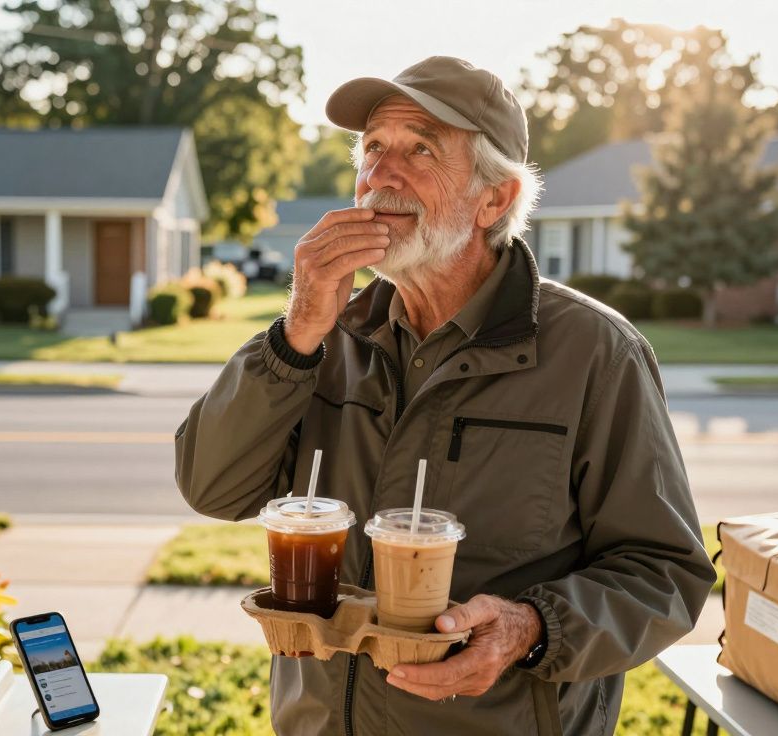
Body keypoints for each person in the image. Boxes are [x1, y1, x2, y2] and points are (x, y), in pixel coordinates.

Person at [174, 56, 715, 736]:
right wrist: (296, 334)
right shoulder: (320, 338)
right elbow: (209, 488)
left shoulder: (596, 354)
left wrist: (531, 627)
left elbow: (664, 574)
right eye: (372, 150)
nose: (380, 177)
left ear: (494, 198)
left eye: (420, 149)